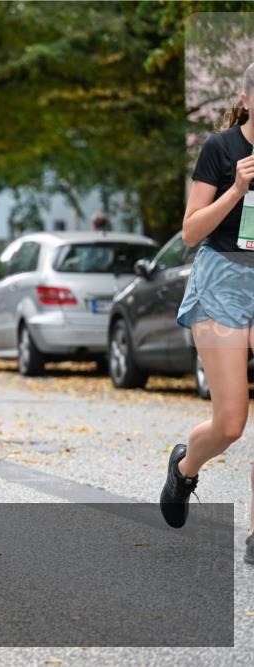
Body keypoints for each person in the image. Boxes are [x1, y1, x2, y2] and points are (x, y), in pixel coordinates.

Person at [163, 63, 254, 567]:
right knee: (231, 423)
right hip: (222, 281)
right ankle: (185, 464)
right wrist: (236, 191)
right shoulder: (221, 150)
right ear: (248, 98)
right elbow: (191, 232)